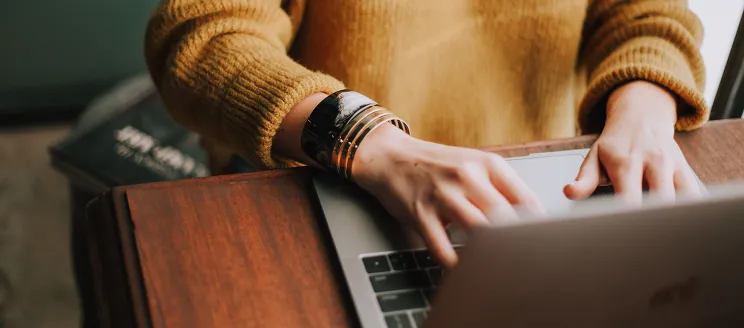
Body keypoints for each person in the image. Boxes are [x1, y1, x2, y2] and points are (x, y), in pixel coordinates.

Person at [144, 0, 708, 268]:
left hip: (534, 200)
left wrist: (644, 104)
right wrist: (371, 141)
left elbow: (649, 13)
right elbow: (204, 37)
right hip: (326, 190)